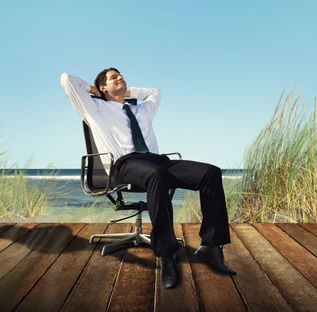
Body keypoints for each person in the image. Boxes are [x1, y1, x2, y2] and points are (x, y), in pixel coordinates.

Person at [60, 68, 235, 289]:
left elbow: (155, 92)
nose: (120, 78)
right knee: (156, 175)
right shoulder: (94, 108)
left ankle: (211, 246)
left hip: (157, 160)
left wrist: (126, 91)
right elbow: (66, 80)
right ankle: (167, 254)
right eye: (114, 77)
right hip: (125, 164)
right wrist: (95, 90)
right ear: (103, 86)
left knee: (211, 173)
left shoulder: (141, 109)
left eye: (121, 75)